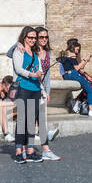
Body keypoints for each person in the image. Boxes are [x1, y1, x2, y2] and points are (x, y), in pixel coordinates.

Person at [11, 27, 44, 163]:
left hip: (35, 89)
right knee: (22, 120)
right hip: (23, 88)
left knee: (32, 121)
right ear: (24, 37)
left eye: (34, 38)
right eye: (30, 37)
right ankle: (19, 151)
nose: (32, 40)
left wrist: (41, 82)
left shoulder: (36, 53)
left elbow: (40, 70)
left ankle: (30, 150)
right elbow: (18, 69)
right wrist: (32, 74)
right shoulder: (19, 50)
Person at [32, 28, 60, 160]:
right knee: (30, 121)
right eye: (41, 37)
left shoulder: (47, 53)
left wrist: (47, 91)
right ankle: (25, 150)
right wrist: (18, 44)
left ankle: (45, 150)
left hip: (41, 89)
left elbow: (47, 75)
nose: (44, 39)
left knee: (41, 120)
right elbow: (10, 54)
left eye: (46, 37)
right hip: (29, 88)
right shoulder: (30, 51)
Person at [58, 39, 92, 118]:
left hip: (67, 75)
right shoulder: (73, 56)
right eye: (77, 49)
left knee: (87, 87)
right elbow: (77, 68)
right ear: (73, 47)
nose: (78, 51)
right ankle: (91, 110)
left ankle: (78, 102)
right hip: (73, 74)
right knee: (89, 89)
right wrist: (85, 60)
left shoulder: (64, 55)